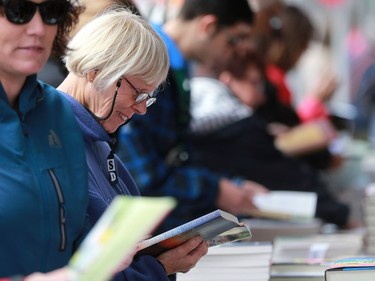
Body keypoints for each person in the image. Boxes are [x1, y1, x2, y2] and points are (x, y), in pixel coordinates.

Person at [58, 7, 208, 281]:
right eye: (138, 93)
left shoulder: (98, 141)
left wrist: (156, 255)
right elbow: (79, 270)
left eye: (148, 98)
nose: (142, 110)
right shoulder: (50, 141)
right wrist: (159, 268)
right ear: (95, 70)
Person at [115, 0, 269, 234]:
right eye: (234, 39)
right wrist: (215, 189)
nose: (237, 51)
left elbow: (174, 155)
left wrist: (227, 186)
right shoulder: (149, 62)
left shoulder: (175, 64)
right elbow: (142, 176)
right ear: (208, 26)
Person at [188, 50, 352, 228]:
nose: (261, 96)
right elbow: (291, 178)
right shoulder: (238, 125)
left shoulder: (188, 108)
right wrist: (340, 214)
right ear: (228, 80)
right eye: (255, 84)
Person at [0, 0, 89, 279]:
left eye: (51, 12)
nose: (38, 28)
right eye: (18, 10)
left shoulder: (57, 109)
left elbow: (72, 231)